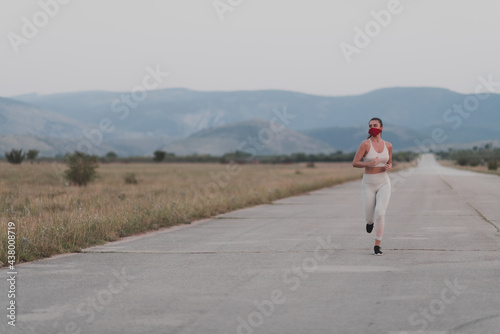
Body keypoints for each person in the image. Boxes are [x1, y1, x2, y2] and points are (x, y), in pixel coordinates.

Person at [352, 117, 392, 255]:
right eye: (370, 125)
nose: (372, 127)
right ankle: (370, 223)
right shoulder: (365, 144)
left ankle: (377, 245)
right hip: (368, 183)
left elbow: (390, 162)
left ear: (381, 128)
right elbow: (355, 163)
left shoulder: (388, 145)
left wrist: (389, 166)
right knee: (370, 217)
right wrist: (369, 163)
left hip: (384, 182)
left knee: (380, 212)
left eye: (375, 125)